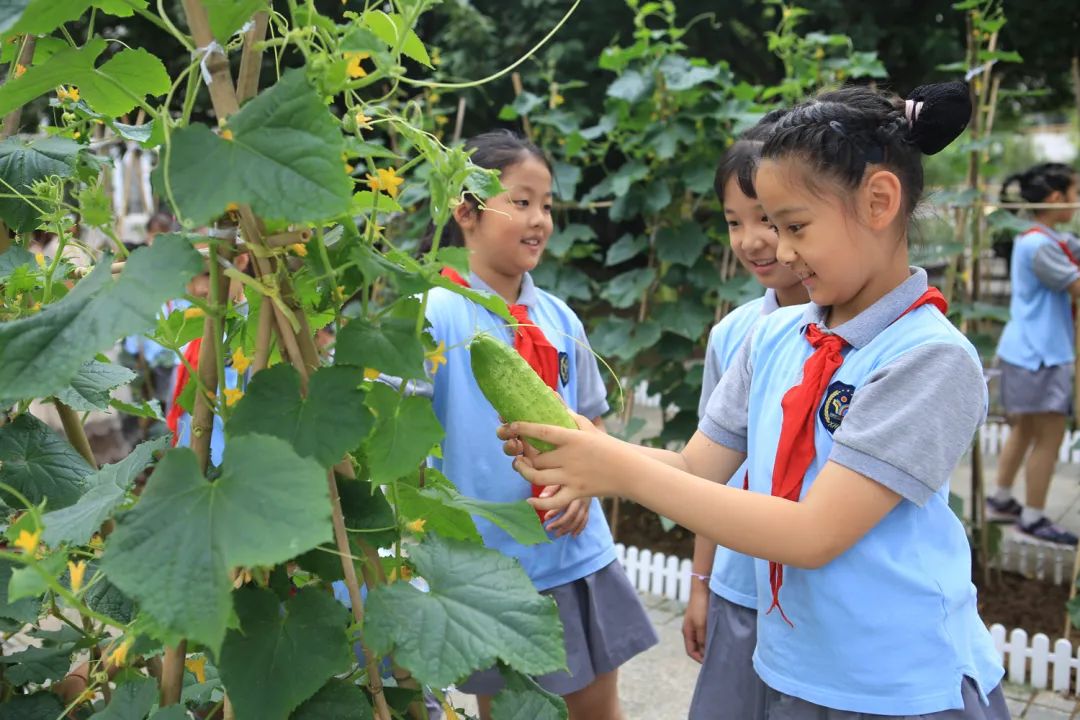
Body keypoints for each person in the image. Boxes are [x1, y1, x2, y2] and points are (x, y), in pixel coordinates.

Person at [500, 84, 1010, 718]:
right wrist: (592, 448)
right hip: (792, 666)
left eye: (794, 226)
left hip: (898, 686)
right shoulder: (771, 336)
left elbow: (813, 533)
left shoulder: (928, 358)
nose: (782, 251)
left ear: (879, 201)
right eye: (771, 226)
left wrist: (616, 470)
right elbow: (695, 470)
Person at [423, 130, 657, 720]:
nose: (540, 220)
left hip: (577, 550)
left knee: (601, 711)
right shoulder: (434, 313)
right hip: (496, 568)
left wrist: (588, 483)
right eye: (521, 201)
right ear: (466, 210)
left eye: (547, 205)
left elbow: (592, 428)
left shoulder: (558, 317)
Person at [685, 116, 808, 720]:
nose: (753, 240)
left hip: (810, 592)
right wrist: (701, 584)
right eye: (734, 222)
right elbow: (709, 470)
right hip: (737, 584)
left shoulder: (867, 338)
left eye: (769, 218)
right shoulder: (735, 335)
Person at [988, 162, 1080, 545]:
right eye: (1076, 196)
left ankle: (1002, 498)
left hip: (1025, 350)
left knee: (1025, 430)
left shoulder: (1043, 237)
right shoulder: (1040, 245)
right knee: (1048, 435)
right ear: (1056, 198)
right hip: (1041, 353)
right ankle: (1034, 516)